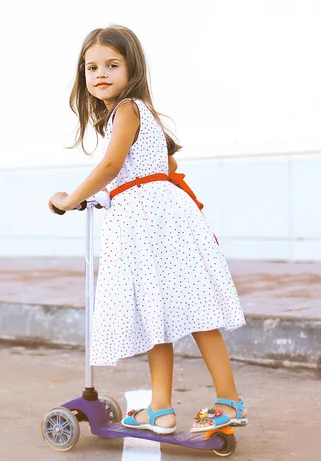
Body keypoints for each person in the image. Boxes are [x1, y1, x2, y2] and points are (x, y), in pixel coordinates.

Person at [48, 25, 248, 435]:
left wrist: (71, 199)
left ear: (131, 68)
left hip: (149, 226)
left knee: (193, 311)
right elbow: (155, 172)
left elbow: (111, 166)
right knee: (159, 311)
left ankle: (227, 402)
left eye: (112, 64)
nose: (100, 73)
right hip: (159, 219)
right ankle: (160, 409)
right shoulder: (142, 114)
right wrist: (109, 196)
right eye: (91, 67)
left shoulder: (127, 109)